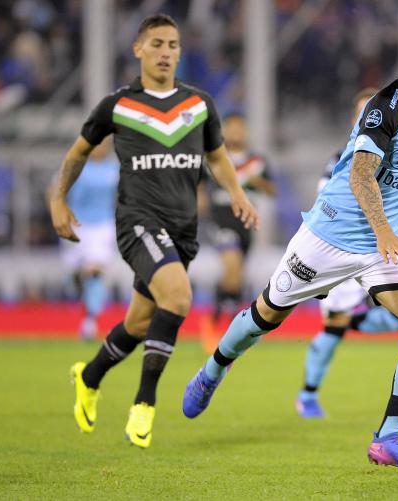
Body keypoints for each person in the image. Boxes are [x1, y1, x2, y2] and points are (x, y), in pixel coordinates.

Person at [182, 30, 398, 467]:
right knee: (265, 315)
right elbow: (361, 176)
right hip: (329, 238)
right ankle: (213, 369)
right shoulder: (386, 108)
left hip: (382, 249)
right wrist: (385, 230)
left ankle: (388, 436)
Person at [49, 14, 258, 449]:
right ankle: (144, 403)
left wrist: (237, 193)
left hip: (183, 231)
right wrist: (58, 199)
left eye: (173, 45)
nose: (166, 52)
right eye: (157, 43)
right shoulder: (118, 105)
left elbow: (218, 157)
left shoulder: (199, 105)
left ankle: (89, 376)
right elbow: (78, 152)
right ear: (138, 50)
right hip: (138, 222)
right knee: (178, 297)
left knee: (140, 322)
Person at [295, 89, 398, 419]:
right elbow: (335, 203)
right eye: (362, 111)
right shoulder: (341, 159)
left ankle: (354, 319)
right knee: (336, 324)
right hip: (344, 246)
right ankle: (308, 396)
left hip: (380, 249)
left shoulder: (395, 154)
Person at [200, 112, 275, 351]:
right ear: (224, 131)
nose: (236, 133)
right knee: (231, 267)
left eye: (240, 128)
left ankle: (222, 321)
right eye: (231, 128)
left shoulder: (257, 162)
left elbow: (272, 190)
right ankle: (220, 324)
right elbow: (200, 185)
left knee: (237, 276)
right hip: (221, 220)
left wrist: (257, 182)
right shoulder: (215, 158)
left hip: (245, 223)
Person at [52, 137, 118, 341]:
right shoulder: (76, 165)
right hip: (76, 224)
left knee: (95, 271)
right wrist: (57, 214)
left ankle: (90, 321)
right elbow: (54, 191)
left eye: (106, 143)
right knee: (75, 275)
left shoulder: (115, 169)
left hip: (103, 226)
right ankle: (80, 292)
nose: (102, 147)